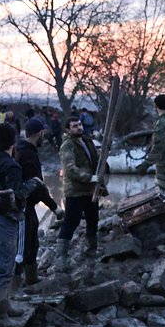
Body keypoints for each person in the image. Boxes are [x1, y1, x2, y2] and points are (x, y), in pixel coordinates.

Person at [0, 122, 34, 327]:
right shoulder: (11, 165)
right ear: (13, 141)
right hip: (6, 219)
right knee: (4, 267)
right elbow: (17, 194)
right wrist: (34, 183)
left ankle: (2, 305)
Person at [14, 117, 62, 286]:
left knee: (28, 242)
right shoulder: (28, 154)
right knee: (27, 244)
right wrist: (54, 206)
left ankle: (27, 279)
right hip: (24, 206)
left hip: (24, 205)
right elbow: (37, 186)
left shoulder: (21, 149)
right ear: (39, 133)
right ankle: (21, 285)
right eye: (44, 132)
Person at [55, 115, 101, 272]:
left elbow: (96, 160)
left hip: (90, 190)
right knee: (71, 222)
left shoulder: (87, 141)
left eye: (80, 125)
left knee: (93, 218)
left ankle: (92, 249)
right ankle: (60, 256)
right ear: (68, 130)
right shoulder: (67, 146)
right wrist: (89, 177)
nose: (79, 128)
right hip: (75, 191)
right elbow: (70, 169)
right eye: (74, 126)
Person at [137, 94, 165, 198]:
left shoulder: (162, 123)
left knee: (163, 194)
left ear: (156, 106)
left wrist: (145, 165)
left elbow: (158, 147)